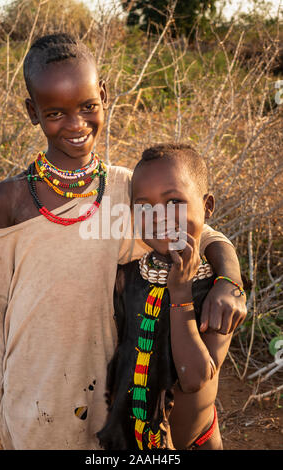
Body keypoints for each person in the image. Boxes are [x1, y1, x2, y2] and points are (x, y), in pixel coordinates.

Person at [0, 34, 246, 450]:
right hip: (32, 386)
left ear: (104, 95)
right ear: (32, 112)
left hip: (99, 389)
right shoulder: (10, 199)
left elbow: (206, 234)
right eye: (55, 112)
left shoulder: (125, 191)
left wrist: (229, 282)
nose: (75, 124)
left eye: (88, 106)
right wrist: (5, 385)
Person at [97, 144, 243, 450]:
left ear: (207, 206)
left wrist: (180, 295)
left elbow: (193, 378)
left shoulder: (218, 292)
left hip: (196, 440)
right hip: (135, 440)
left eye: (174, 201)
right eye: (144, 206)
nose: (158, 216)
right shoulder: (128, 277)